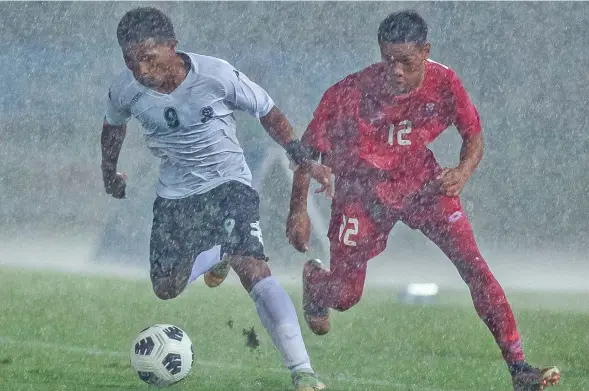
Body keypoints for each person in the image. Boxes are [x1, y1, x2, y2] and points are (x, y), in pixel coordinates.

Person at [286, 10, 559, 391]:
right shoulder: (348, 93)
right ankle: (317, 283)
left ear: (425, 52)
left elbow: (474, 136)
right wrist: (297, 210)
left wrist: (462, 172)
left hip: (421, 185)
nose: (395, 71)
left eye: (406, 62)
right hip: (360, 194)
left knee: (474, 266)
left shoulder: (445, 82)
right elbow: (304, 152)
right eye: (388, 60)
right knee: (346, 296)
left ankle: (519, 369)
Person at [101, 7, 330, 390]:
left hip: (229, 185)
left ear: (172, 47)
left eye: (148, 57)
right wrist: (109, 174)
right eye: (130, 60)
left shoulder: (216, 75)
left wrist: (295, 150)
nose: (139, 70)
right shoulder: (124, 89)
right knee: (166, 288)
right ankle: (219, 254)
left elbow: (268, 111)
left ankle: (302, 370)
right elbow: (112, 128)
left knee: (254, 269)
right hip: (174, 195)